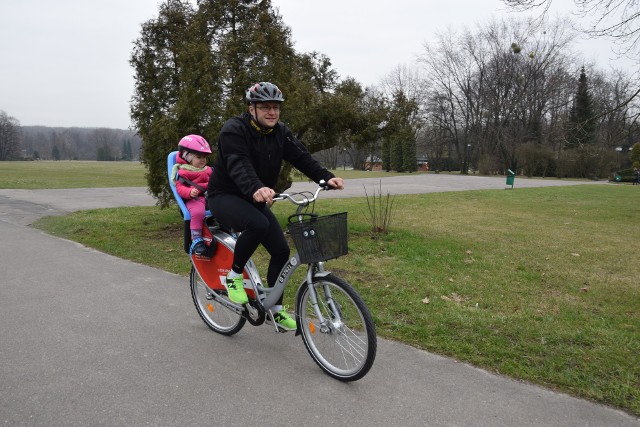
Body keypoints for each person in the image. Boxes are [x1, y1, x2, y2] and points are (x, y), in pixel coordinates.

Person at [207, 81, 344, 330]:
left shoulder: (281, 132)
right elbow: (238, 163)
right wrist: (255, 187)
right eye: (266, 107)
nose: (272, 112)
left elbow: (301, 156)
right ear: (252, 109)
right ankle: (234, 275)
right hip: (225, 196)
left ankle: (276, 310)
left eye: (276, 108)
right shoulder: (233, 130)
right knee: (258, 224)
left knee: (281, 250)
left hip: (255, 197)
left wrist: (325, 177)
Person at [172, 134, 213, 255]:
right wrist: (189, 192)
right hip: (195, 199)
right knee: (197, 212)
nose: (202, 160)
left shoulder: (208, 170)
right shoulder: (184, 172)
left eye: (204, 157)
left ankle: (228, 231)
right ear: (187, 156)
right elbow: (179, 188)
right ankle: (196, 238)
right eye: (198, 157)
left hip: (210, 197)